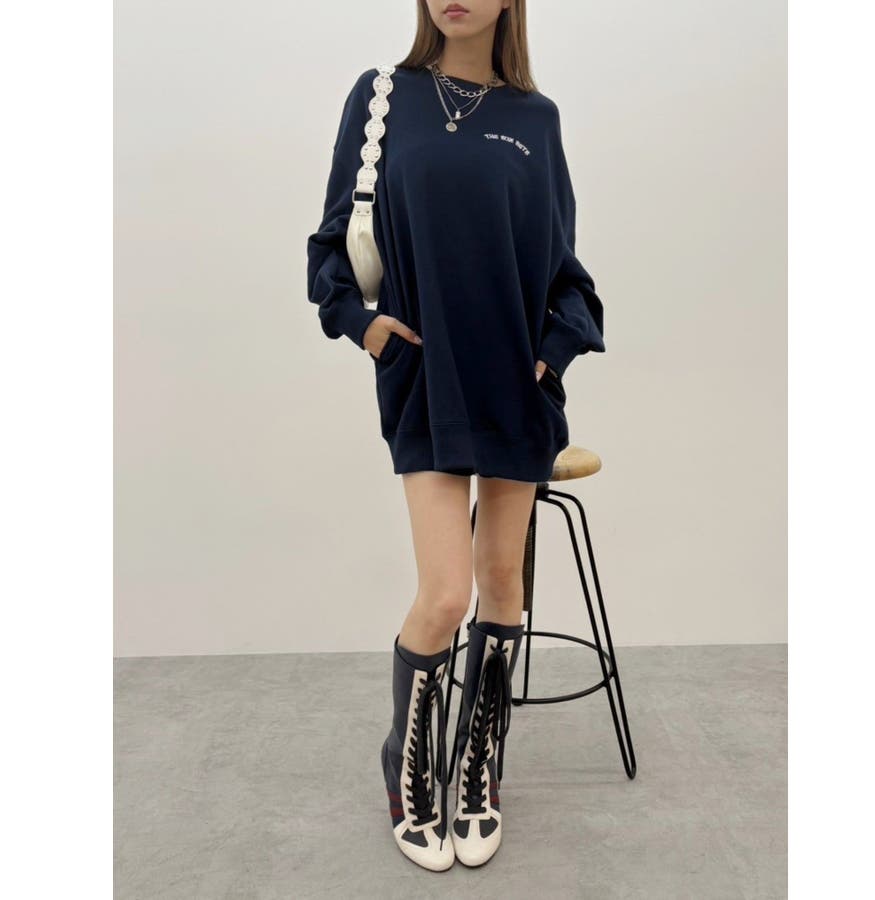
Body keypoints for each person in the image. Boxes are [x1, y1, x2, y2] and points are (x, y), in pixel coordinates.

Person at [306, 0, 605, 872]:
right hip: (425, 378)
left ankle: (477, 769)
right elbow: (332, 243)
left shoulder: (535, 120)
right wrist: (363, 326)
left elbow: (566, 273)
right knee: (444, 596)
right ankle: (409, 769)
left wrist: (552, 354)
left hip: (516, 384)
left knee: (502, 581)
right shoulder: (381, 97)